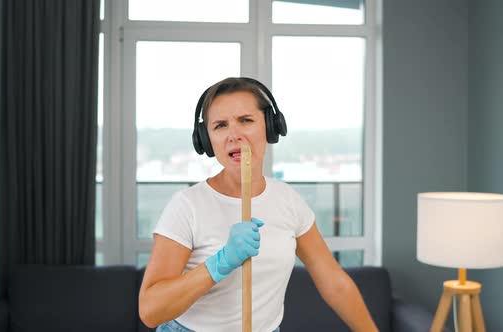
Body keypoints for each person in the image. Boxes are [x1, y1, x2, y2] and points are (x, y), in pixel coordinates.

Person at [139, 77, 379, 332]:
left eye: (245, 120)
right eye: (220, 125)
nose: (234, 135)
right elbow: (151, 311)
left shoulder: (289, 202)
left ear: (270, 126)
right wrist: (221, 261)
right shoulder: (187, 206)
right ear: (207, 140)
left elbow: (335, 284)